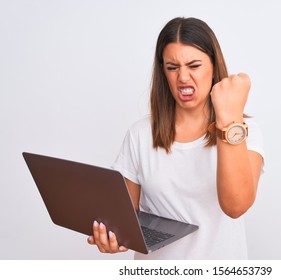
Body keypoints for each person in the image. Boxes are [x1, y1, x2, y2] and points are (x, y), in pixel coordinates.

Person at [87, 17, 265, 259]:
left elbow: (236, 206)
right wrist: (110, 236)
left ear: (214, 67)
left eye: (194, 66)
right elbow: (123, 219)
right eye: (173, 67)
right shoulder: (140, 134)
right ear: (163, 71)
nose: (182, 78)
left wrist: (229, 117)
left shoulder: (244, 130)